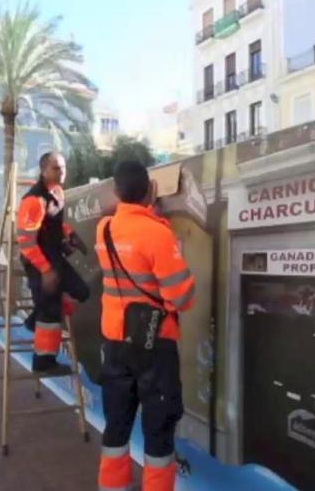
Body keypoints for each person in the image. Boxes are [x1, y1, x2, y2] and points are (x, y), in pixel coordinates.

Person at [95, 160, 196, 491]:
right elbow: (182, 298)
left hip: (115, 342)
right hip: (155, 346)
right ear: (151, 191)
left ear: (116, 192)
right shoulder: (158, 234)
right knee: (158, 430)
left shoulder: (104, 230)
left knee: (117, 425)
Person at [16, 151, 90, 375]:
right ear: (44, 171)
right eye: (56, 168)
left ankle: (33, 319)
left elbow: (54, 224)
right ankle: (43, 363)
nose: (62, 171)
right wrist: (46, 271)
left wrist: (70, 235)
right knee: (50, 313)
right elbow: (27, 244)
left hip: (54, 256)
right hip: (38, 260)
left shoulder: (58, 192)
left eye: (63, 167)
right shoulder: (33, 200)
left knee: (82, 291)